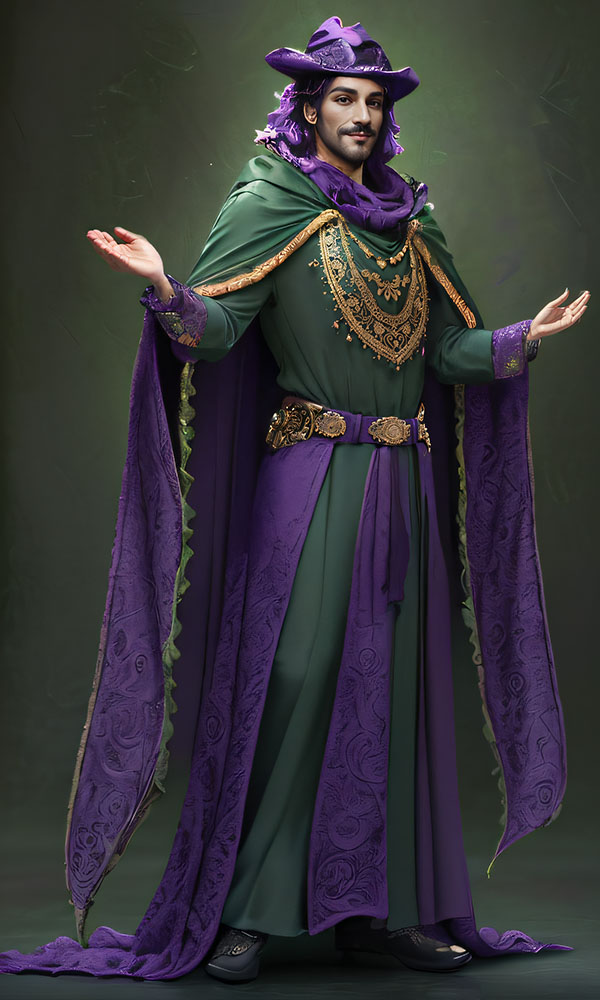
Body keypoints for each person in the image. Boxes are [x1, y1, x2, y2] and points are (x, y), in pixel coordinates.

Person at [0, 15, 589, 986]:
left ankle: (386, 914)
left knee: (397, 693)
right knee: (297, 678)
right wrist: (165, 288)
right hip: (310, 478)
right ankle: (247, 911)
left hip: (401, 482)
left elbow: (446, 351)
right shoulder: (269, 199)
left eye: (374, 101)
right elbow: (219, 328)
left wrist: (518, 339)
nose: (362, 114)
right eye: (343, 97)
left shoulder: (413, 226)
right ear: (308, 107)